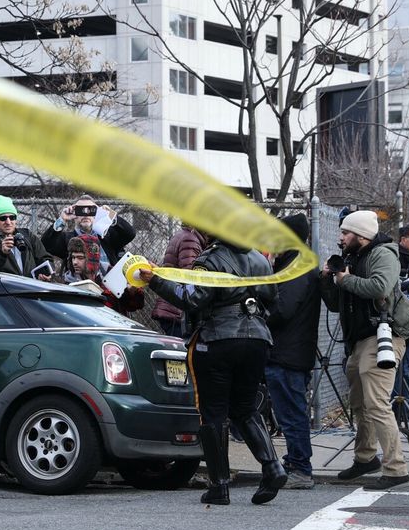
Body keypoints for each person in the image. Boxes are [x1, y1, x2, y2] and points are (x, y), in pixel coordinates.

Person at [137, 234, 286, 506]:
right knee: (245, 408)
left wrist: (155, 280)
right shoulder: (259, 259)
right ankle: (273, 467)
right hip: (257, 339)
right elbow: (273, 302)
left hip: (218, 340)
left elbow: (191, 299)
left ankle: (220, 485)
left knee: (213, 412)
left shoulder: (209, 259)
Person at [321, 210, 409, 491]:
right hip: (360, 338)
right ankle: (365, 458)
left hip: (384, 334)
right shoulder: (352, 257)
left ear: (361, 235)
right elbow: (335, 304)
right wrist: (328, 279)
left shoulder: (383, 254)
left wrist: (345, 280)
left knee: (377, 402)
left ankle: (396, 470)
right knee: (358, 400)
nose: (341, 237)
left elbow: (380, 287)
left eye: (345, 233)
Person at [264, 213, 322, 490]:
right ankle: (295, 461)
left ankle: (300, 467)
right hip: (290, 350)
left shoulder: (296, 266)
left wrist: (259, 310)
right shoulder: (292, 263)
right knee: (289, 411)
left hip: (288, 353)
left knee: (292, 413)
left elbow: (282, 309)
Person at [42, 194, 136, 273]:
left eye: (90, 210)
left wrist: (111, 216)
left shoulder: (107, 235)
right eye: (80, 210)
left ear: (97, 212)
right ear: (74, 214)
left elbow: (129, 234)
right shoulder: (67, 239)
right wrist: (62, 219)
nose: (85, 214)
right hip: (80, 288)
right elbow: (46, 244)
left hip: (110, 287)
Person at [0, 195, 55, 279]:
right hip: (7, 290)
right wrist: (1, 254)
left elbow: (45, 258)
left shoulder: (27, 236)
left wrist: (46, 274)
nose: (8, 222)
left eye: (12, 217)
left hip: (31, 288)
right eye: (3, 218)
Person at [62, 234, 145, 315]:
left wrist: (131, 292)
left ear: (91, 258)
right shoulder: (69, 283)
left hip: (114, 324)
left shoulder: (112, 273)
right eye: (73, 257)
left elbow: (134, 306)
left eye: (80, 258)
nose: (75, 262)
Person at [150, 224, 207, 338]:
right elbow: (190, 278)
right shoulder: (190, 240)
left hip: (172, 308)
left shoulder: (183, 235)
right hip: (177, 312)